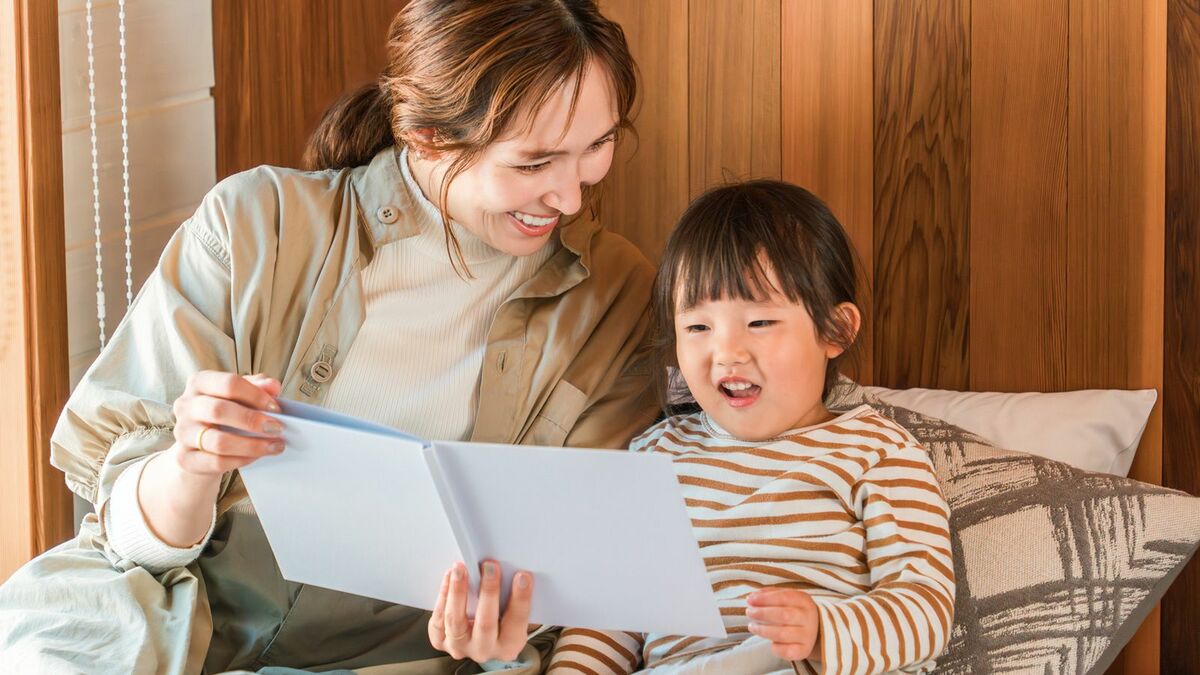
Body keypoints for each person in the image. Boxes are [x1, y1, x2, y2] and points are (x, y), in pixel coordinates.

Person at [0, 1, 657, 673]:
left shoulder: (615, 297)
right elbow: (128, 540)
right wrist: (189, 464)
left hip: (399, 653)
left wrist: (506, 643)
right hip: (164, 608)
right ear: (427, 135)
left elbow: (576, 570)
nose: (570, 197)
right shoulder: (256, 226)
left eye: (598, 146)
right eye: (533, 163)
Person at [545, 181, 955, 675]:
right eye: (698, 327)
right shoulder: (654, 456)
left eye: (759, 322)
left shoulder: (876, 450)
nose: (727, 353)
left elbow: (926, 608)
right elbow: (610, 614)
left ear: (835, 330)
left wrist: (826, 629)